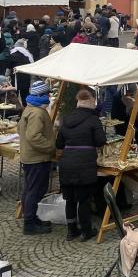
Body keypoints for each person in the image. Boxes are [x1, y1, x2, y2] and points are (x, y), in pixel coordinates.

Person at [56, 89, 106, 241]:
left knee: (69, 199)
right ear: (91, 101)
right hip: (84, 163)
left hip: (67, 162)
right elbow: (100, 141)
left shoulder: (66, 118)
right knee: (84, 199)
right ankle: (86, 231)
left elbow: (59, 143)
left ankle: (71, 231)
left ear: (78, 101)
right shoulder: (93, 119)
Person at [18, 80, 56, 235]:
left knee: (30, 189)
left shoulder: (30, 108)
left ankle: (32, 218)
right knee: (35, 190)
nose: (49, 96)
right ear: (41, 95)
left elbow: (21, 130)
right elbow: (34, 136)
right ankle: (29, 223)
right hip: (37, 158)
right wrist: (50, 146)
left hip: (31, 157)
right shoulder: (37, 112)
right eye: (47, 93)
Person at [10, 39, 34, 103]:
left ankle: (15, 109)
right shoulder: (28, 55)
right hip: (25, 78)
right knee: (25, 95)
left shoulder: (12, 54)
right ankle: (26, 109)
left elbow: (9, 66)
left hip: (15, 78)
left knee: (14, 95)